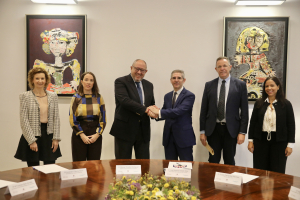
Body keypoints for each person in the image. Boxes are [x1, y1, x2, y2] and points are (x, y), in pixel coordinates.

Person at [199, 56, 248, 165]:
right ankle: (211, 182)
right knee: (213, 160)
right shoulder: (209, 85)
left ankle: (228, 182)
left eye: (225, 66)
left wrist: (242, 132)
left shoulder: (240, 85)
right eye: (219, 66)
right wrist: (202, 131)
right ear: (216, 69)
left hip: (231, 131)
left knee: (229, 160)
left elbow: (244, 111)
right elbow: (204, 110)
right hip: (213, 129)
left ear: (230, 67)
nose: (222, 68)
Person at [15, 67, 61, 167]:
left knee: (50, 169)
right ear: (32, 80)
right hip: (31, 135)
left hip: (49, 135)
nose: (40, 81)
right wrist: (31, 141)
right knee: (32, 171)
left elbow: (56, 118)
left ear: (46, 80)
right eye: (37, 78)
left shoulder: (53, 96)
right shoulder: (25, 96)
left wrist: (56, 138)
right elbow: (24, 120)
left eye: (42, 78)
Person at [248, 77, 295, 174]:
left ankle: (275, 190)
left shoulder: (286, 104)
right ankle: (259, 189)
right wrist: (250, 141)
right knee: (260, 171)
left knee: (277, 171)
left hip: (279, 143)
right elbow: (253, 123)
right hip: (260, 141)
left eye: (272, 85)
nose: (269, 88)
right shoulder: (259, 103)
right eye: (266, 86)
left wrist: (290, 145)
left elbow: (291, 125)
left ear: (278, 87)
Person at [110, 59, 155, 159]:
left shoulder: (149, 85)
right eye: (137, 69)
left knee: (144, 164)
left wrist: (156, 112)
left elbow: (151, 104)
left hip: (143, 130)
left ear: (146, 72)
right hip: (124, 129)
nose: (139, 72)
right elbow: (125, 101)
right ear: (131, 68)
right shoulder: (120, 82)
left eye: (142, 70)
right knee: (123, 165)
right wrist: (146, 110)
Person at [148, 70, 196, 161]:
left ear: (184, 80)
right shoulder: (167, 96)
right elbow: (166, 112)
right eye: (174, 78)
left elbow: (178, 111)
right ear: (170, 80)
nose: (176, 80)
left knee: (186, 167)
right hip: (169, 138)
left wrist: (159, 112)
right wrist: (155, 114)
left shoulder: (189, 95)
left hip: (184, 138)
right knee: (169, 167)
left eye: (179, 78)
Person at [69, 72, 106, 161]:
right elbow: (72, 118)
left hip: (95, 133)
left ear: (94, 83)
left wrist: (97, 135)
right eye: (86, 80)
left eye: (91, 80)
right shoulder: (76, 97)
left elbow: (103, 118)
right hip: (79, 133)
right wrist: (82, 135)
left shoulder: (99, 97)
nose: (88, 82)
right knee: (79, 164)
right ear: (81, 82)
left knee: (94, 165)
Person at [34, 28, 80, 94]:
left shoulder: (73, 64)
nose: (56, 46)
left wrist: (75, 83)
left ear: (68, 45)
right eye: (52, 42)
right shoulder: (42, 66)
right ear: (48, 45)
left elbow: (76, 84)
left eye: (61, 43)